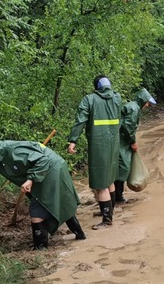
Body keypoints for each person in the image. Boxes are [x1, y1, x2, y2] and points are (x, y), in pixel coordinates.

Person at [0, 135, 86, 250]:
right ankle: (79, 236)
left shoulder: (14, 150)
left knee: (42, 207)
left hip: (51, 169)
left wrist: (30, 179)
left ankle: (41, 248)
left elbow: (43, 160)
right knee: (57, 202)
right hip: (41, 173)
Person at [67, 75, 121, 230]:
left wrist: (73, 140)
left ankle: (107, 219)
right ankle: (110, 210)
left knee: (100, 184)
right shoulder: (117, 98)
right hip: (113, 143)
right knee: (109, 178)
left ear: (96, 87)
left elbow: (80, 120)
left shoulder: (89, 99)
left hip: (99, 144)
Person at [114, 88, 156, 203]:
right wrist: (133, 142)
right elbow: (128, 127)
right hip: (121, 142)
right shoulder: (134, 108)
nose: (147, 105)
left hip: (120, 141)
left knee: (120, 168)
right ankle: (118, 197)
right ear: (142, 100)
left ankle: (116, 196)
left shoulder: (132, 106)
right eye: (147, 102)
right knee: (123, 168)